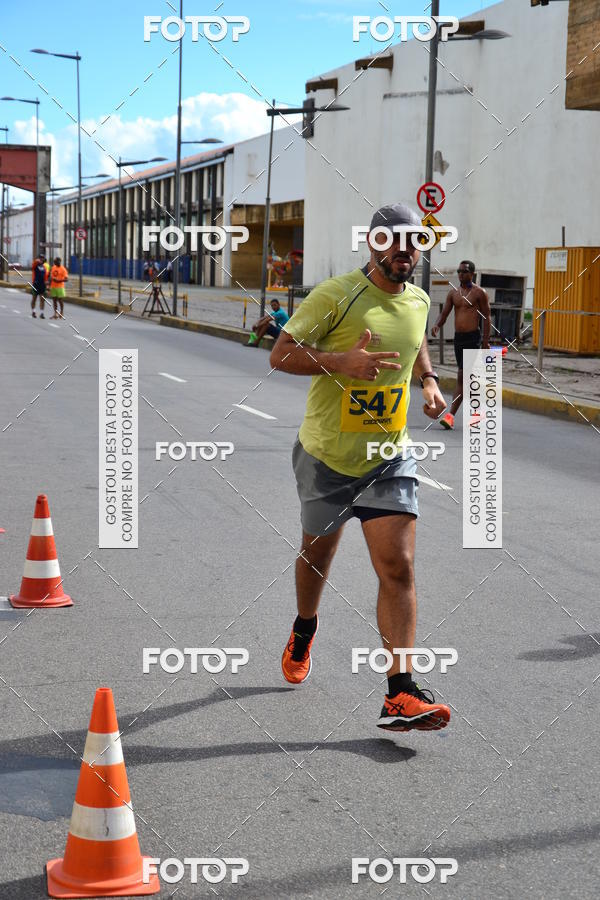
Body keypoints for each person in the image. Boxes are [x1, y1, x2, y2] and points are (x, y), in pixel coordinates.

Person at [270, 203, 451, 733]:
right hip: (327, 457)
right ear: (373, 245)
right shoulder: (335, 295)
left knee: (397, 566)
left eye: (415, 244)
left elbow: (415, 344)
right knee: (318, 557)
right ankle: (305, 627)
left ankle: (400, 692)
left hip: (389, 456)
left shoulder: (418, 300)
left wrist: (430, 383)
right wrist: (342, 362)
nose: (406, 253)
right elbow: (280, 354)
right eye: (395, 243)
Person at [431, 260, 491, 429]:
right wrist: (437, 324)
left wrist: (485, 342)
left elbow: (487, 317)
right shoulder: (453, 293)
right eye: (459, 271)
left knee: (462, 377)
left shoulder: (480, 293)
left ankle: (450, 416)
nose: (460, 274)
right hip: (459, 339)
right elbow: (444, 313)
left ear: (472, 273)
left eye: (464, 271)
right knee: (467, 379)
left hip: (473, 338)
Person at [31, 254, 48, 319]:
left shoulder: (44, 267)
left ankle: (42, 313)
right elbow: (34, 264)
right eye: (40, 258)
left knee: (42, 299)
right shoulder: (35, 265)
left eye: (43, 258)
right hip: (36, 284)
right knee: (34, 299)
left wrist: (47, 284)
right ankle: (33, 311)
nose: (41, 259)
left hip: (42, 285)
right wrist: (37, 261)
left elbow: (45, 277)